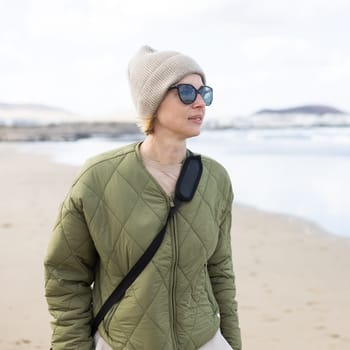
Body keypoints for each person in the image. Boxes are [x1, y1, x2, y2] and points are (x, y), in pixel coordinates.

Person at [44, 45, 241, 350]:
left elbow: (220, 270)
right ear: (153, 101)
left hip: (205, 340)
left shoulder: (215, 179)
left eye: (206, 93)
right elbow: (65, 276)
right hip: (123, 342)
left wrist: (232, 342)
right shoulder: (98, 177)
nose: (201, 103)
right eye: (187, 92)